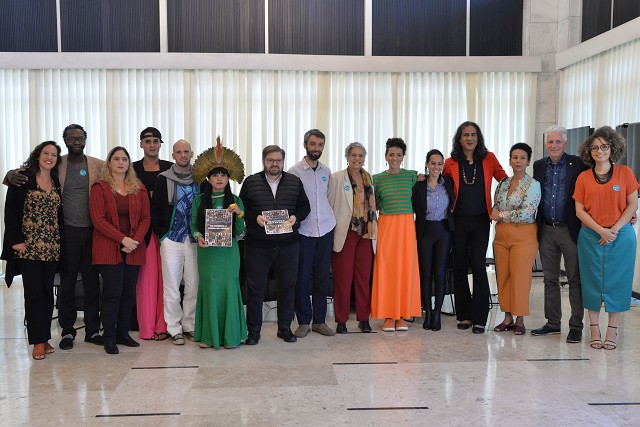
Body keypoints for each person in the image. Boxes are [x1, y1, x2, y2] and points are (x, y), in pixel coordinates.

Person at [3, 124, 104, 350]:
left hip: (84, 234)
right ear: (65, 140)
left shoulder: (97, 165)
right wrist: (9, 175)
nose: (76, 141)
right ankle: (66, 331)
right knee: (66, 283)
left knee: (89, 282)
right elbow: (19, 189)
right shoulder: (57, 165)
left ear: (86, 139)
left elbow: (119, 176)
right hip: (62, 234)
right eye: (71, 138)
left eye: (80, 137)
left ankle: (92, 330)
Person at [573, 126, 639, 350]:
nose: (599, 151)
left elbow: (633, 204)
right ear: (588, 151)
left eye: (604, 146)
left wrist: (614, 230)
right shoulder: (583, 177)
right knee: (591, 282)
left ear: (613, 148)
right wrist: (601, 231)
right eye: (594, 147)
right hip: (591, 236)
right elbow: (579, 210)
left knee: (618, 282)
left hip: (621, 236)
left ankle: (612, 329)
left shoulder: (625, 173)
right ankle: (594, 328)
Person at [239, 145, 310, 345]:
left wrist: (296, 217)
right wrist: (254, 217)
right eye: (270, 160)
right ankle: (254, 331)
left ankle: (284, 328)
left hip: (288, 244)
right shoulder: (251, 182)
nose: (274, 164)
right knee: (255, 289)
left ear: (283, 162)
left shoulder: (294, 182)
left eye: (278, 160)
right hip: (258, 246)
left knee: (287, 286)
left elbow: (305, 206)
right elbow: (242, 208)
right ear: (264, 161)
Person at [443, 121, 507, 334]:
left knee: (478, 266)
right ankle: (464, 315)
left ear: (478, 138)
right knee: (460, 266)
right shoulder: (450, 162)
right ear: (459, 139)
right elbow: (439, 184)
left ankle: (480, 317)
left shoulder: (489, 158)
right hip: (458, 221)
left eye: (473, 135)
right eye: (465, 135)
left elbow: (505, 183)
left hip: (481, 220)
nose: (469, 138)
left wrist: (498, 207)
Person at [2, 141, 64, 360]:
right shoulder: (22, 178)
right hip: (28, 247)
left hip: (52, 247)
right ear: (38, 155)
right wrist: (16, 241)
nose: (49, 157)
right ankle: (37, 341)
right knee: (34, 293)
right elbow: (10, 211)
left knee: (47, 294)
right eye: (46, 153)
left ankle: (45, 338)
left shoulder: (55, 181)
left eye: (54, 155)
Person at [90, 146, 151, 354]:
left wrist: (134, 241)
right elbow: (98, 220)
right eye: (116, 159)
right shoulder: (99, 188)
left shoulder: (139, 188)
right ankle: (109, 337)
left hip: (134, 248)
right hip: (108, 247)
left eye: (124, 159)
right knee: (112, 293)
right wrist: (123, 239)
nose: (120, 162)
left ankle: (123, 334)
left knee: (128, 293)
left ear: (129, 163)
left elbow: (145, 218)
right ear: (109, 163)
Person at [530, 126, 588, 343]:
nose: (553, 145)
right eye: (550, 142)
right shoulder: (539, 165)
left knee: (575, 279)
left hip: (570, 229)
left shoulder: (579, 164)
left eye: (557, 141)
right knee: (549, 279)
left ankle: (576, 326)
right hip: (546, 229)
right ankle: (553, 323)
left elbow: (592, 189)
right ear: (546, 144)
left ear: (565, 143)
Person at [191, 138, 247, 349]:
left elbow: (240, 232)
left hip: (229, 255)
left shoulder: (236, 201)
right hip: (208, 254)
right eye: (215, 175)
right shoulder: (199, 201)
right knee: (210, 289)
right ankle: (209, 336)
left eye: (223, 174)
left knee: (229, 289)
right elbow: (193, 226)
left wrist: (239, 214)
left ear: (228, 177)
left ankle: (231, 336)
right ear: (208, 178)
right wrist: (198, 236)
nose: (220, 178)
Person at [288, 129, 337, 338]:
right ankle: (303, 321)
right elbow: (291, 201)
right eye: (313, 144)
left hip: (325, 228)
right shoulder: (294, 172)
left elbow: (329, 198)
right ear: (305, 145)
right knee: (302, 278)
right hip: (304, 231)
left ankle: (319, 321)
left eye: (320, 145)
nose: (316, 148)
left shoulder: (327, 171)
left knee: (322, 277)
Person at [151, 140, 200, 345]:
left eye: (186, 151)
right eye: (179, 152)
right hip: (171, 239)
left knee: (193, 286)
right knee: (171, 287)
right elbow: (155, 209)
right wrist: (162, 235)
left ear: (191, 154)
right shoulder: (163, 179)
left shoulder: (200, 178)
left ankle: (190, 325)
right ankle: (174, 328)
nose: (183, 155)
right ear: (173, 155)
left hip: (195, 239)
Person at [371, 138, 422, 332]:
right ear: (385, 156)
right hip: (386, 225)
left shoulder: (412, 176)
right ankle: (388, 315)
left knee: (405, 269)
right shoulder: (377, 179)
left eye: (398, 155)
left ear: (403, 157)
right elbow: (374, 205)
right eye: (391, 154)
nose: (394, 158)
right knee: (387, 270)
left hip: (407, 227)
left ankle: (401, 315)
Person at [491, 143, 541, 335]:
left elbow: (527, 211)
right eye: (515, 157)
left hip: (524, 234)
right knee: (503, 276)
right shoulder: (503, 183)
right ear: (510, 160)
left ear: (528, 161)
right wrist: (497, 212)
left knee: (520, 277)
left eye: (522, 158)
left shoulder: (533, 184)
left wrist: (501, 214)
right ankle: (507, 317)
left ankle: (520, 319)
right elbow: (496, 204)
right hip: (502, 234)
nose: (518, 161)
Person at [328, 142, 377, 333]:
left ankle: (364, 319)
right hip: (345, 232)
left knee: (363, 278)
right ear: (347, 157)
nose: (357, 159)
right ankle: (341, 320)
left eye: (361, 155)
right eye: (353, 155)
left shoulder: (368, 177)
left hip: (366, 232)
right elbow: (330, 205)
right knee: (343, 278)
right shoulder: (337, 178)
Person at [133, 127, 171, 341]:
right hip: (142, 231)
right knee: (146, 281)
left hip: (167, 229)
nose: (152, 144)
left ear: (160, 144)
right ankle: (147, 328)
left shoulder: (170, 168)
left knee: (167, 280)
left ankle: (163, 325)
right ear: (141, 144)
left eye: (156, 140)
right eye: (147, 141)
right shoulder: (132, 169)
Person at [411, 149, 455, 331]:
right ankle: (427, 312)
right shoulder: (418, 185)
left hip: (444, 231)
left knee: (440, 272)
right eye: (433, 163)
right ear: (427, 164)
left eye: (439, 163)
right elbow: (413, 206)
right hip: (425, 231)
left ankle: (437, 314)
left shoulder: (449, 183)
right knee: (426, 273)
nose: (436, 167)